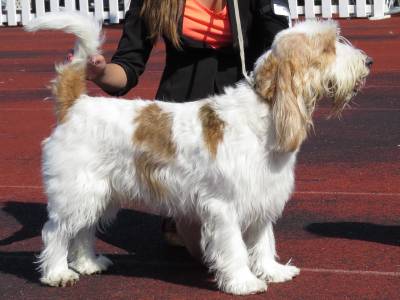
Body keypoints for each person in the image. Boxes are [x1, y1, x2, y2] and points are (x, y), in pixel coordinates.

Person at [82, 0, 290, 258]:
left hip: (242, 114)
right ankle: (179, 218)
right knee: (204, 251)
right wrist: (99, 73)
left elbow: (282, 43)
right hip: (182, 127)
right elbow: (128, 65)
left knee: (248, 212)